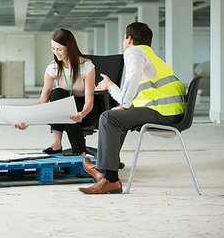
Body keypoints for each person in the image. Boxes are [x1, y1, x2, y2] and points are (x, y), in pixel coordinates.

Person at [79, 22, 187, 194]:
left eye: (124, 37)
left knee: (108, 118)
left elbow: (128, 91)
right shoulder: (150, 55)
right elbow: (137, 95)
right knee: (117, 118)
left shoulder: (133, 52)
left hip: (164, 113)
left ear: (128, 39)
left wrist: (117, 96)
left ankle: (111, 180)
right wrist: (116, 94)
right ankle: (102, 168)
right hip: (170, 112)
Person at [15, 28, 96, 156]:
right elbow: (43, 100)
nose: (56, 53)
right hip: (64, 105)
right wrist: (27, 118)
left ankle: (79, 153)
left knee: (68, 111)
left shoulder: (86, 66)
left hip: (84, 105)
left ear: (69, 47)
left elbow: (90, 100)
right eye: (53, 49)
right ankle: (61, 144)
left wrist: (82, 114)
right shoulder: (52, 68)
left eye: (59, 49)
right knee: (57, 93)